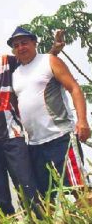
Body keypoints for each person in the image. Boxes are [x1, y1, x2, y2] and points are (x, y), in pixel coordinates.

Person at [0, 28, 61, 214]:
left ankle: (39, 218)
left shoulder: (7, 61)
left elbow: (34, 65)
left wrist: (54, 51)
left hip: (13, 134)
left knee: (27, 185)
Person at [9, 26, 91, 199]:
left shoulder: (49, 60)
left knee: (80, 189)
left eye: (24, 43)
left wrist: (82, 120)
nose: (20, 47)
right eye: (16, 45)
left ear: (34, 43)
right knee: (48, 198)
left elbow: (74, 88)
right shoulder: (16, 74)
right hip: (35, 145)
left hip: (61, 138)